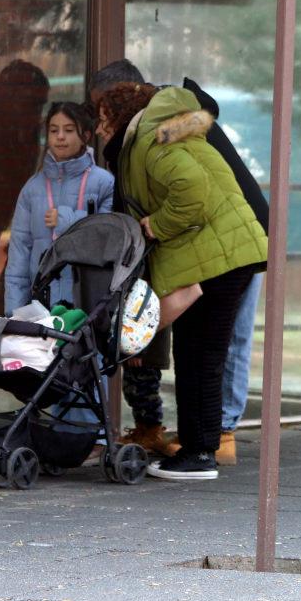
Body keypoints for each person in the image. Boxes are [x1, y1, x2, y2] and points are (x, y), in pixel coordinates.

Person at [92, 59, 269, 466]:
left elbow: (193, 190)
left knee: (203, 353)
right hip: (220, 251)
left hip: (224, 253)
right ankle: (202, 446)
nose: (97, 129)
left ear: (117, 113)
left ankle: (202, 451)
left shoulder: (152, 141)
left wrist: (156, 225)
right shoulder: (157, 131)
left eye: (101, 117)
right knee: (200, 352)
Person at [92, 80, 176, 457]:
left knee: (142, 363)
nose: (98, 128)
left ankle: (149, 428)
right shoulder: (127, 156)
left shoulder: (138, 155)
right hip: (138, 272)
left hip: (145, 273)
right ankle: (148, 427)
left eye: (104, 118)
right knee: (138, 362)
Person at [4, 102, 114, 315]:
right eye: (54, 130)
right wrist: (14, 314)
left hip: (88, 304)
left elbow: (108, 238)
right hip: (41, 304)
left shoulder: (104, 183)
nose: (60, 136)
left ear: (86, 135)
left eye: (69, 130)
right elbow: (18, 256)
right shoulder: (32, 188)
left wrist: (67, 220)